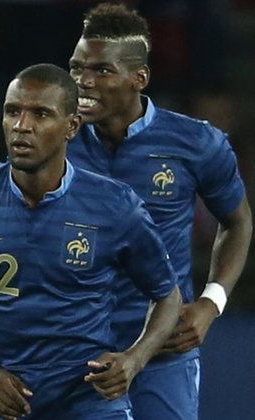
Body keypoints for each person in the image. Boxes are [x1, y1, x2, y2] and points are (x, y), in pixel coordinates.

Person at [0, 63, 182, 419]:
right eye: (12, 112)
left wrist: (134, 359)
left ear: (72, 126)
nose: (22, 126)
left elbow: (167, 295)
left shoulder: (114, 205)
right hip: (10, 401)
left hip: (91, 399)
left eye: (41, 114)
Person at [67, 4, 252, 419]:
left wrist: (211, 302)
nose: (83, 82)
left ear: (140, 78)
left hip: (163, 347)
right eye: (76, 68)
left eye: (101, 70)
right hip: (73, 348)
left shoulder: (194, 143)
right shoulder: (56, 140)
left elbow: (237, 221)